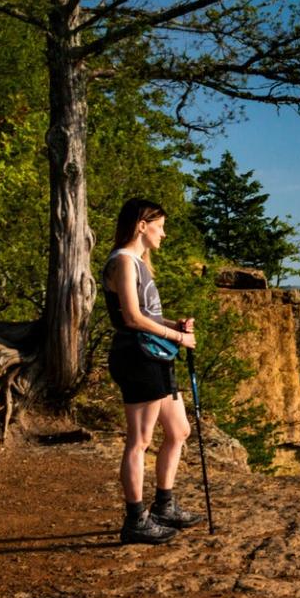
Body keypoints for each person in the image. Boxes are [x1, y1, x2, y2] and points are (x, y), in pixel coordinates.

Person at [101, 198, 205, 545]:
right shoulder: (123, 262)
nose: (164, 233)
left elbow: (147, 314)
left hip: (155, 354)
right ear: (142, 225)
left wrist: (175, 323)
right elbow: (131, 318)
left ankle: (164, 506)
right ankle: (135, 520)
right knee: (140, 440)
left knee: (178, 430)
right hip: (138, 356)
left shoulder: (138, 263)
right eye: (160, 225)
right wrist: (177, 336)